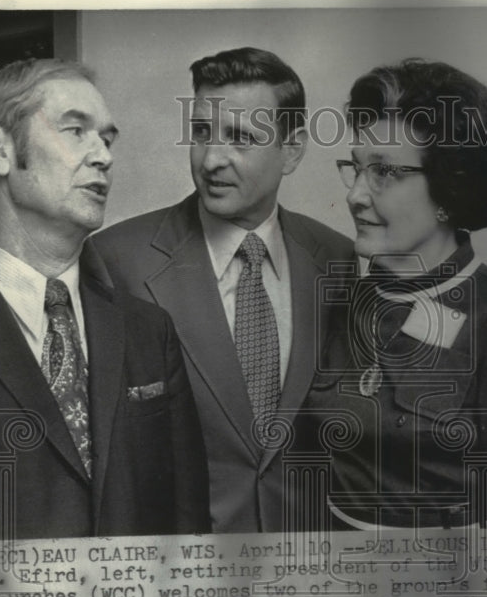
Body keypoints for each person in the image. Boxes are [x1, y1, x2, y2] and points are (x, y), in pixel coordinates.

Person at [0, 59, 210, 559]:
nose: (103, 157)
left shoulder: (148, 332)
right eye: (76, 130)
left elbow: (188, 529)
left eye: (107, 139)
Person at [91, 48, 353, 533]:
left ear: (292, 150)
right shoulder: (116, 261)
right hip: (184, 572)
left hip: (313, 571)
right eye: (201, 133)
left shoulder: (338, 260)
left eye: (240, 138)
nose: (212, 159)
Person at [297, 59, 487, 531]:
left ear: (450, 188)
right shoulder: (339, 299)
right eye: (355, 169)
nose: (355, 195)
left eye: (384, 173)